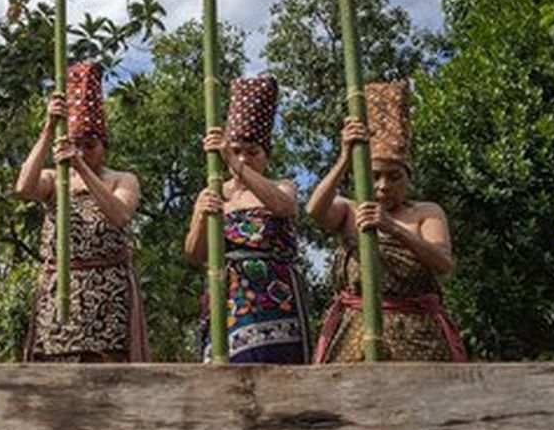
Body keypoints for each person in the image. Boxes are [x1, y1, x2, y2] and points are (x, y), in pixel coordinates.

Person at [306, 82, 466, 362]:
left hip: (417, 334)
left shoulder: (426, 212)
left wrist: (393, 228)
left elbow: (443, 263)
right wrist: (345, 157)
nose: (383, 186)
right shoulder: (349, 210)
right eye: (375, 175)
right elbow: (314, 210)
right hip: (357, 331)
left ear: (408, 177)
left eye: (394, 177)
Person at [14, 62, 148, 363]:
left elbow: (120, 215)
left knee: (106, 369)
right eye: (77, 144)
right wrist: (48, 129)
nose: (83, 151)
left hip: (108, 292)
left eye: (90, 145)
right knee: (55, 368)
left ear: (104, 145)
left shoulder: (121, 179)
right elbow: (23, 187)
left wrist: (82, 168)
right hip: (58, 290)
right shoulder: (53, 180)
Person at [184, 77, 308, 363]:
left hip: (276, 299)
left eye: (252, 153)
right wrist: (203, 216)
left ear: (266, 155)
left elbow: (283, 206)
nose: (244, 158)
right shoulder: (212, 191)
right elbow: (194, 253)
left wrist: (236, 164)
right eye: (237, 151)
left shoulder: (281, 187)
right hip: (226, 298)